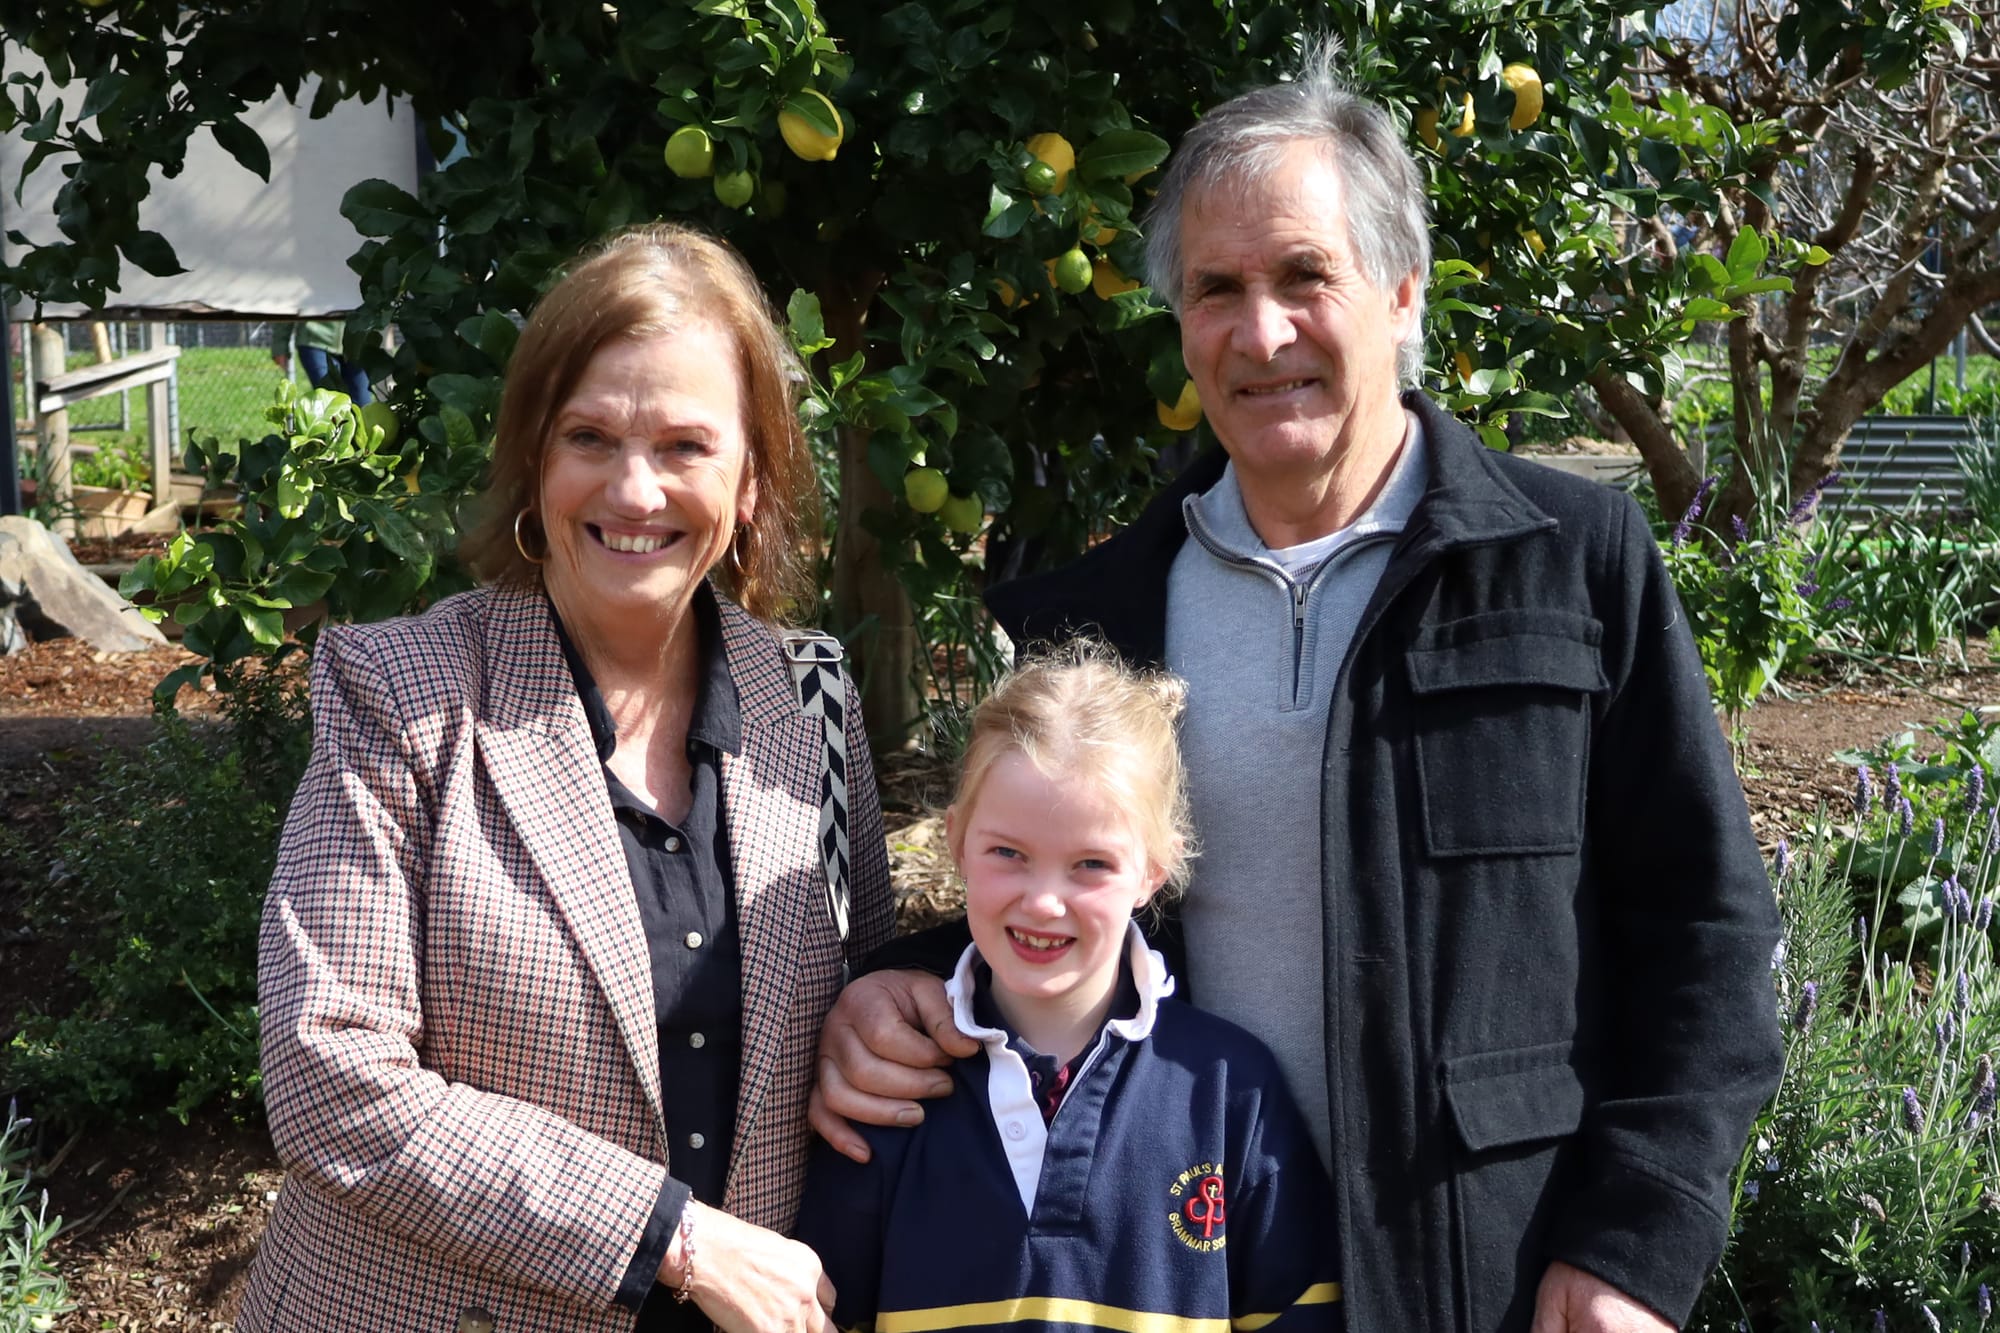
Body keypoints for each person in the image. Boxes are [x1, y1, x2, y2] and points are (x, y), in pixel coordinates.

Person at [808, 52, 1783, 1333]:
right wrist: (908, 980)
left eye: (1302, 276)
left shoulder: (1566, 566)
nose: (1259, 334)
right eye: (1216, 289)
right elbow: (1062, 886)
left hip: (1488, 1279)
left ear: (1398, 290)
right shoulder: (1096, 617)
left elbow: (1702, 932)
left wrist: (1634, 1243)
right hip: (1182, 1285)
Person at [237, 223, 895, 1333]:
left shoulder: (814, 698)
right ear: (534, 459)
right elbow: (325, 1074)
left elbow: (867, 1002)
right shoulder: (401, 693)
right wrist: (673, 1237)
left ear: (750, 485)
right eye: (589, 435)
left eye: (686, 445)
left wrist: (899, 1008)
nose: (634, 490)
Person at [794, 647, 1341, 1333]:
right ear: (956, 839)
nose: (1045, 902)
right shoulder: (888, 1092)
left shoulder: (1233, 1094)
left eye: (1091, 863)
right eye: (1009, 853)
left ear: (1153, 871)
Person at [270, 317, 371, 403]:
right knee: (330, 401)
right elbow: (291, 301)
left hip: (359, 341)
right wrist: (279, 345)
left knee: (363, 403)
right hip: (315, 340)